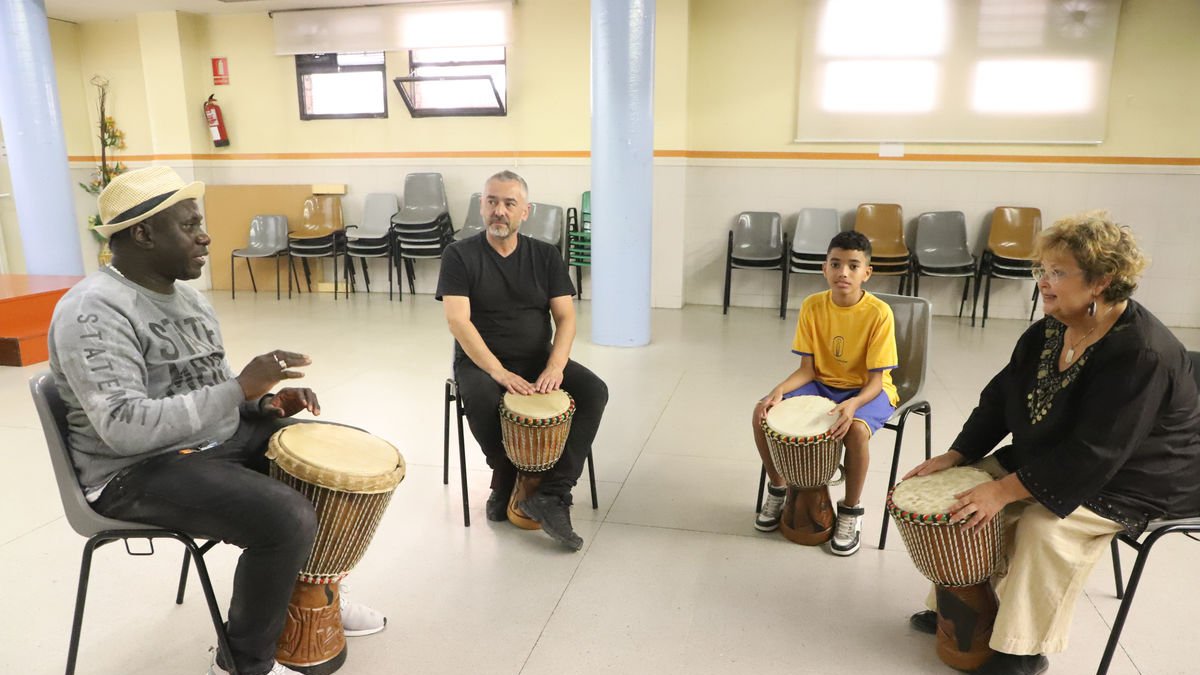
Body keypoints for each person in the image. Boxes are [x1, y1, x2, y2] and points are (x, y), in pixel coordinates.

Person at [48, 167, 386, 675]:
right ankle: (244, 663)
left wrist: (260, 407)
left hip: (206, 443)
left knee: (339, 461)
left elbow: (207, 390)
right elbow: (121, 425)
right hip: (131, 469)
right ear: (142, 233)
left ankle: (316, 599)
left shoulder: (186, 298)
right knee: (284, 516)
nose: (205, 235)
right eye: (189, 226)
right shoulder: (92, 311)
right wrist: (238, 390)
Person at [901, 212, 1200, 675]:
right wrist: (959, 454)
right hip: (1058, 452)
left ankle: (1021, 649)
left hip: (1137, 476)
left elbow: (1097, 453)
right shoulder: (1051, 328)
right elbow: (1000, 398)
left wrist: (1004, 490)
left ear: (1102, 281)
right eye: (1042, 270)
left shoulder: (1141, 352)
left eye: (1057, 272)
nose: (1042, 281)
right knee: (964, 494)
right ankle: (964, 603)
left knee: (1042, 526)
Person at [436, 170, 608, 552]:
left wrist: (556, 366)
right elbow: (457, 320)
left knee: (594, 391)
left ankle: (553, 491)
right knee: (482, 396)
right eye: (492, 201)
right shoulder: (459, 255)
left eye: (509, 203)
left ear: (525, 211)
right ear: (481, 205)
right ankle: (506, 475)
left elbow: (566, 318)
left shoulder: (545, 255)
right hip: (480, 363)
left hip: (536, 358)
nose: (499, 211)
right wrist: (498, 372)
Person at [752, 230, 898, 556]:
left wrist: (853, 404)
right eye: (835, 264)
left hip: (866, 390)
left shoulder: (878, 313)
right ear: (824, 268)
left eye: (852, 265)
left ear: (867, 273)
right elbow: (807, 370)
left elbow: (877, 380)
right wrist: (776, 392)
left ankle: (851, 510)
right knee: (761, 412)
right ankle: (777, 489)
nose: (843, 272)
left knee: (856, 433)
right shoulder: (812, 305)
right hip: (820, 382)